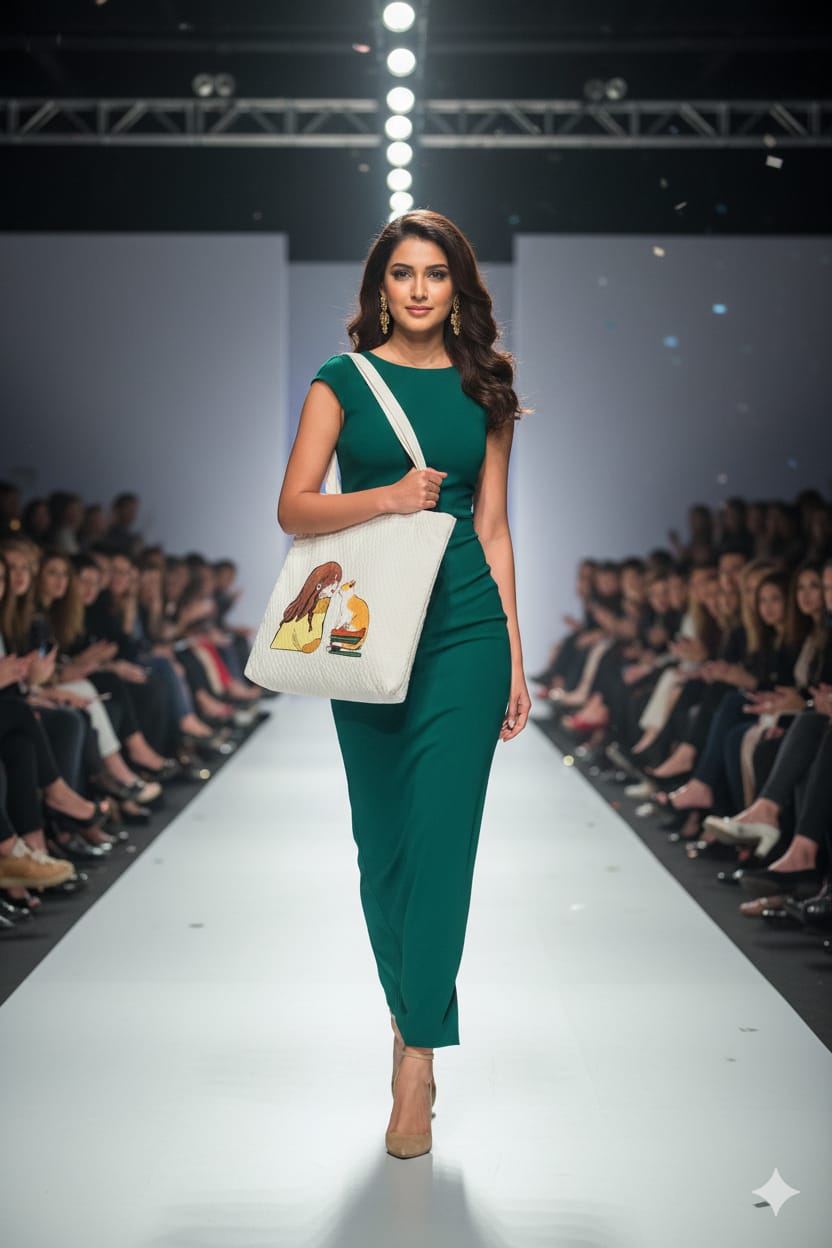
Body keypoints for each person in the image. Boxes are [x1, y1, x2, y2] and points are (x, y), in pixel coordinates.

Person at [276, 209, 530, 1160]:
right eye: (403, 274)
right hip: (368, 629)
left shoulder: (485, 389)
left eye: (436, 274)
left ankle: (418, 1057)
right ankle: (407, 1012)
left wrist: (514, 652)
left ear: (458, 288)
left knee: (441, 844)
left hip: (465, 629)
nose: (419, 289)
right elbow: (293, 505)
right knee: (382, 849)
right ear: (380, 288)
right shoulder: (340, 381)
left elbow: (494, 528)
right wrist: (386, 496)